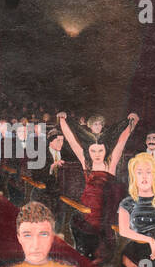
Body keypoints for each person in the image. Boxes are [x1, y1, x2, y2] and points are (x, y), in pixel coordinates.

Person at [57, 110, 136, 258]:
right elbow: (72, 141)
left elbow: (121, 142)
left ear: (106, 151)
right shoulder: (86, 163)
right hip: (86, 211)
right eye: (93, 151)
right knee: (78, 225)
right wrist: (62, 120)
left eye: (100, 150)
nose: (97, 154)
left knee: (100, 246)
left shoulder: (110, 164)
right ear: (89, 152)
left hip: (105, 214)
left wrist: (132, 122)